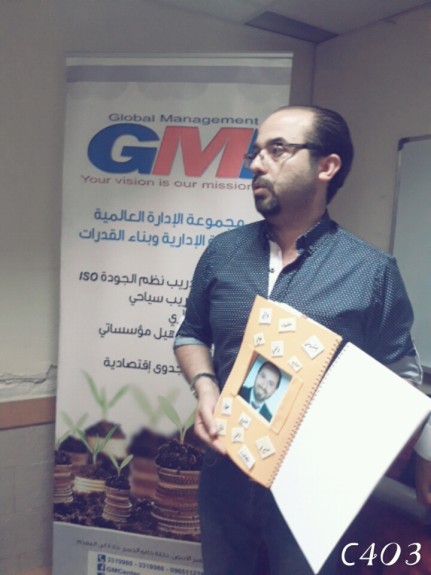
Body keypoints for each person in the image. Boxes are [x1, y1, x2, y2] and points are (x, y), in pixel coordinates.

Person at [173, 105, 422, 575]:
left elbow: (402, 373)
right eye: (255, 152)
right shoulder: (222, 253)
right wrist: (205, 387)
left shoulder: (371, 271)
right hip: (225, 475)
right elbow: (191, 333)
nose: (256, 164)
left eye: (277, 149)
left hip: (314, 491)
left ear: (327, 166)